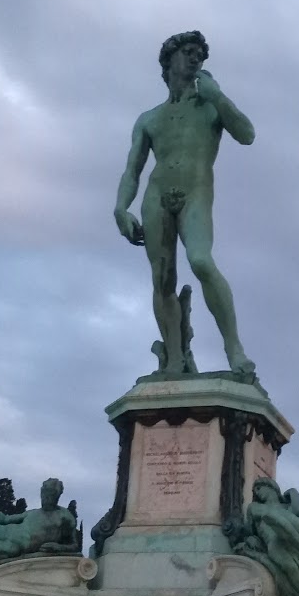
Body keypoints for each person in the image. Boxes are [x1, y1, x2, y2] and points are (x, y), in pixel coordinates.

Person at [114, 29, 258, 379]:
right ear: (169, 61)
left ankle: (234, 349)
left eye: (200, 54)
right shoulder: (149, 118)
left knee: (201, 261)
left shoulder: (210, 106)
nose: (196, 58)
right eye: (189, 52)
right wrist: (120, 207)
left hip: (195, 191)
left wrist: (218, 96)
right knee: (162, 280)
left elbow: (247, 134)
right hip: (156, 197)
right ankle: (175, 360)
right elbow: (132, 169)